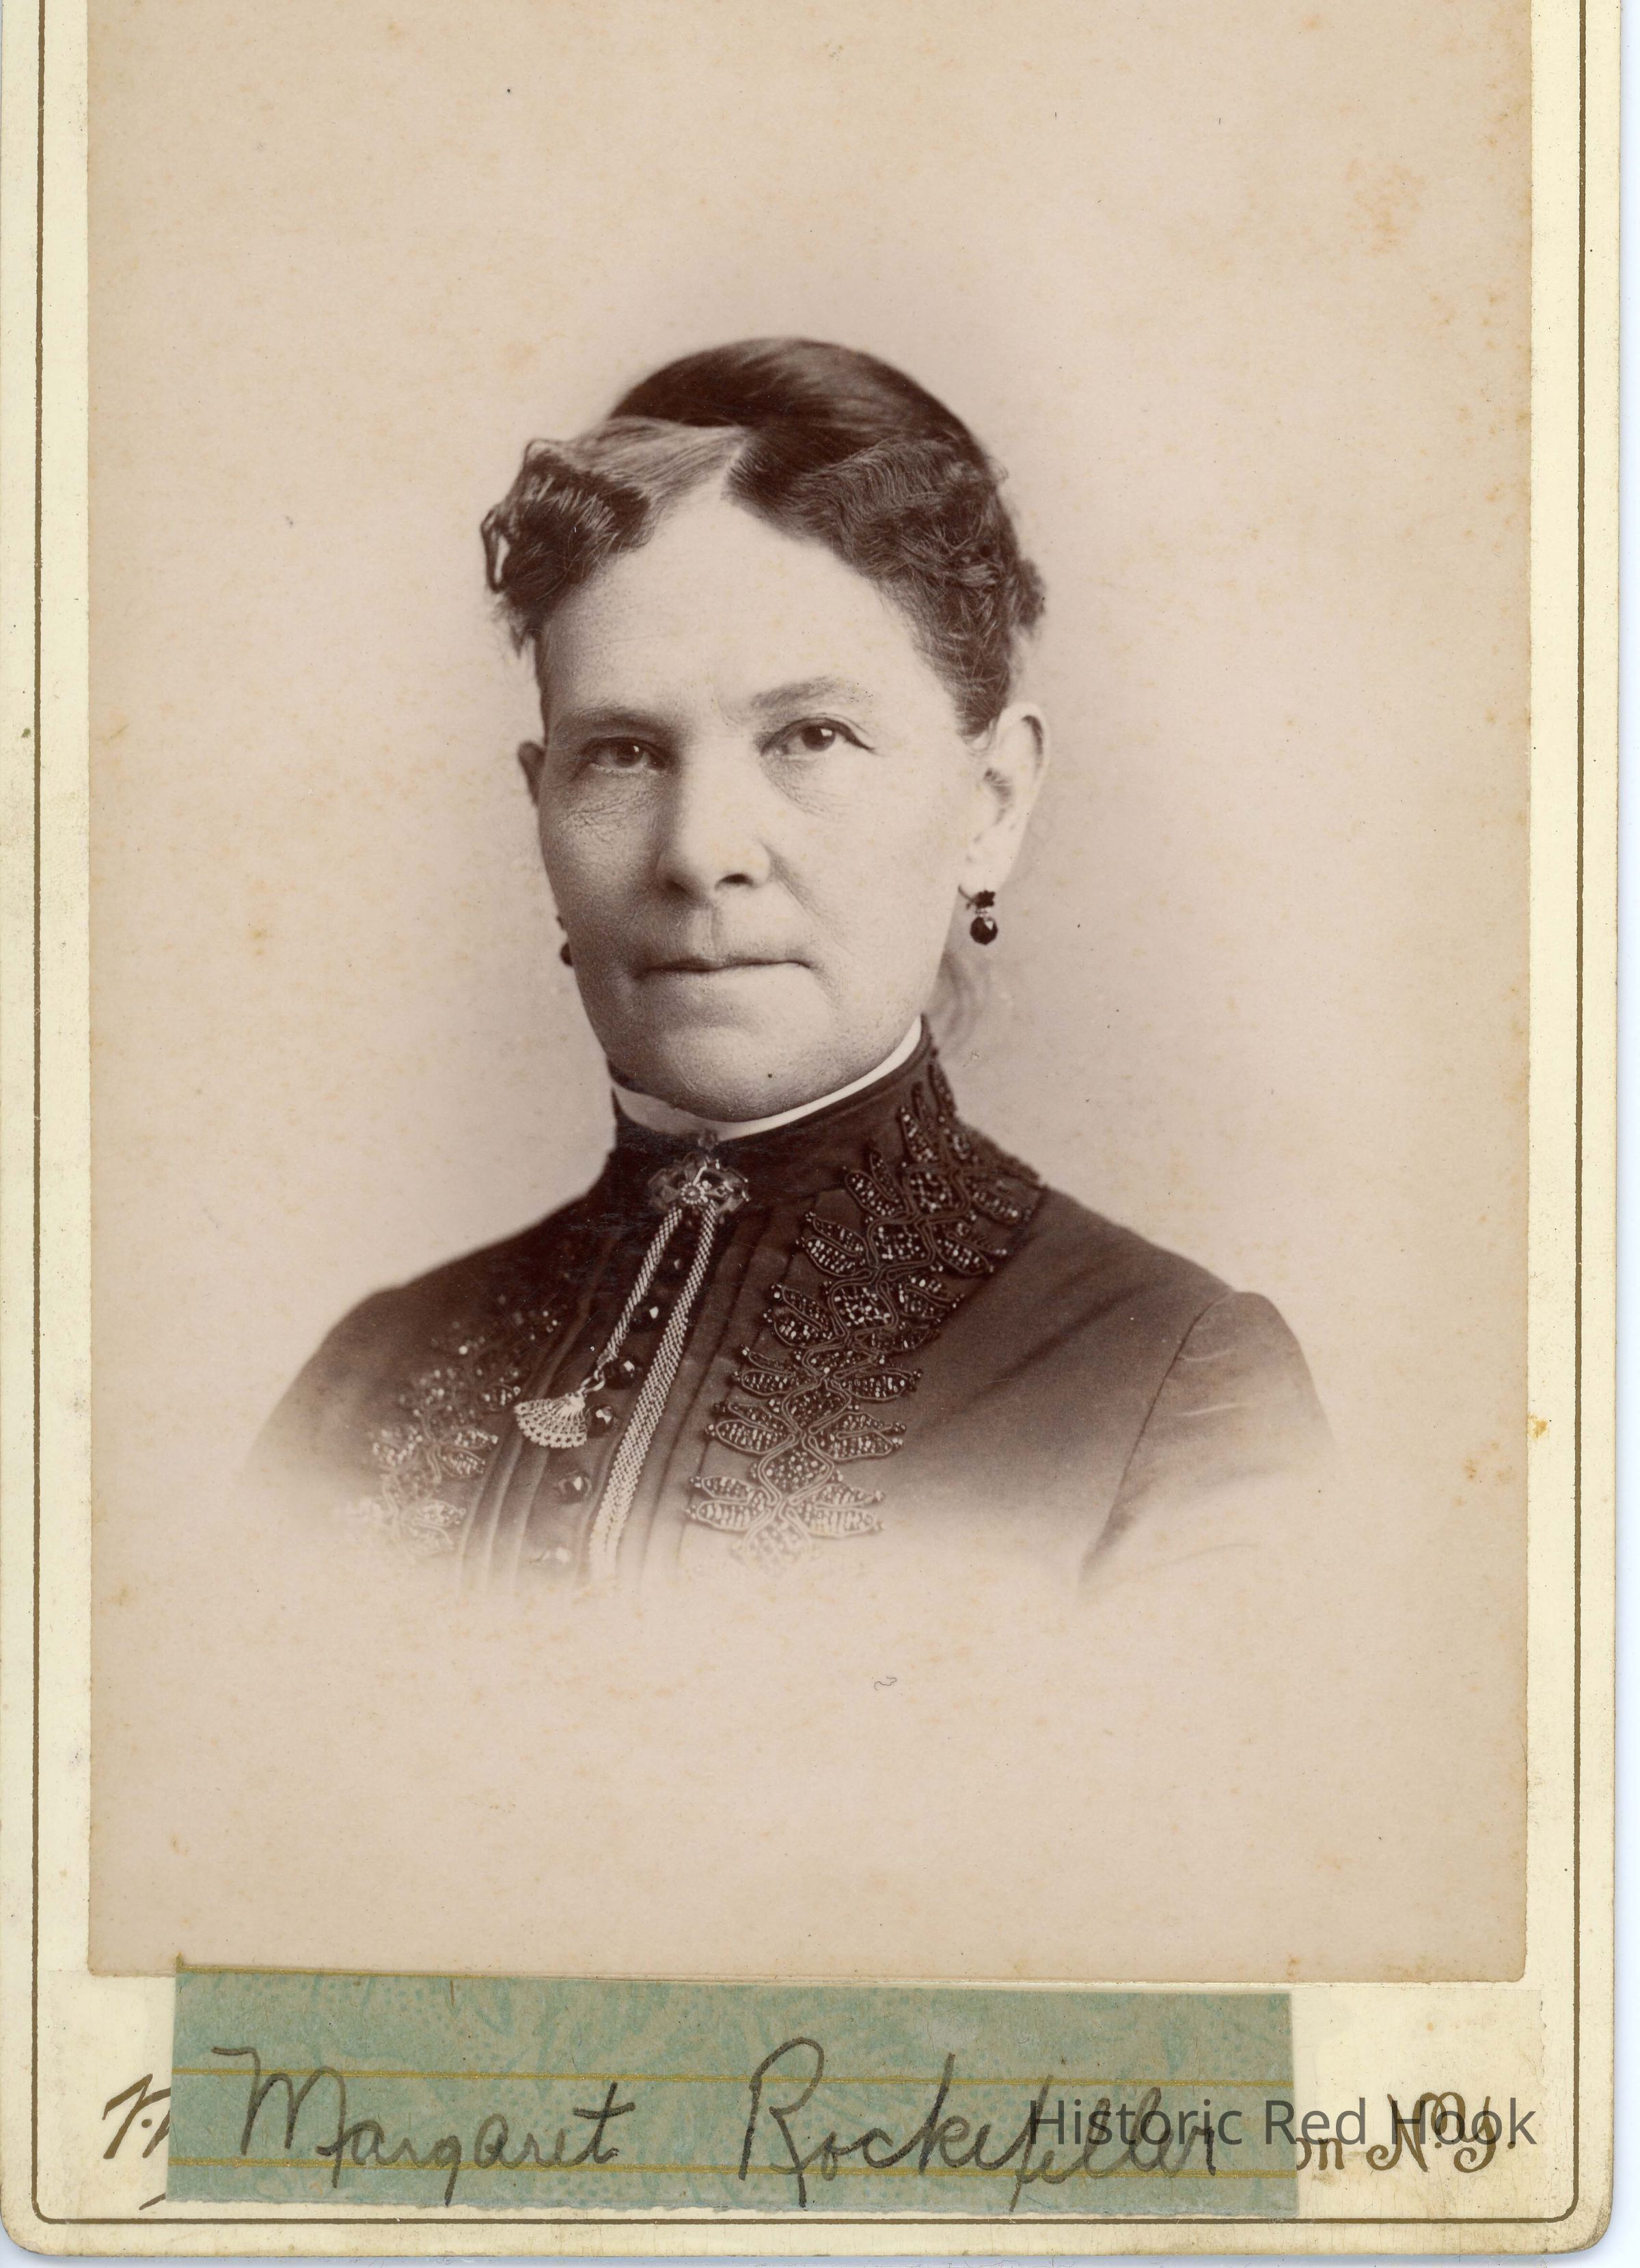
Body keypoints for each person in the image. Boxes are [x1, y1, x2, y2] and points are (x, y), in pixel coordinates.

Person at [252, 337, 1328, 1601]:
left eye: (811, 735)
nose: (699, 853)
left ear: (992, 801)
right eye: (623, 753)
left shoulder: (1173, 1390)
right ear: (541, 802)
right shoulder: (359, 1386)